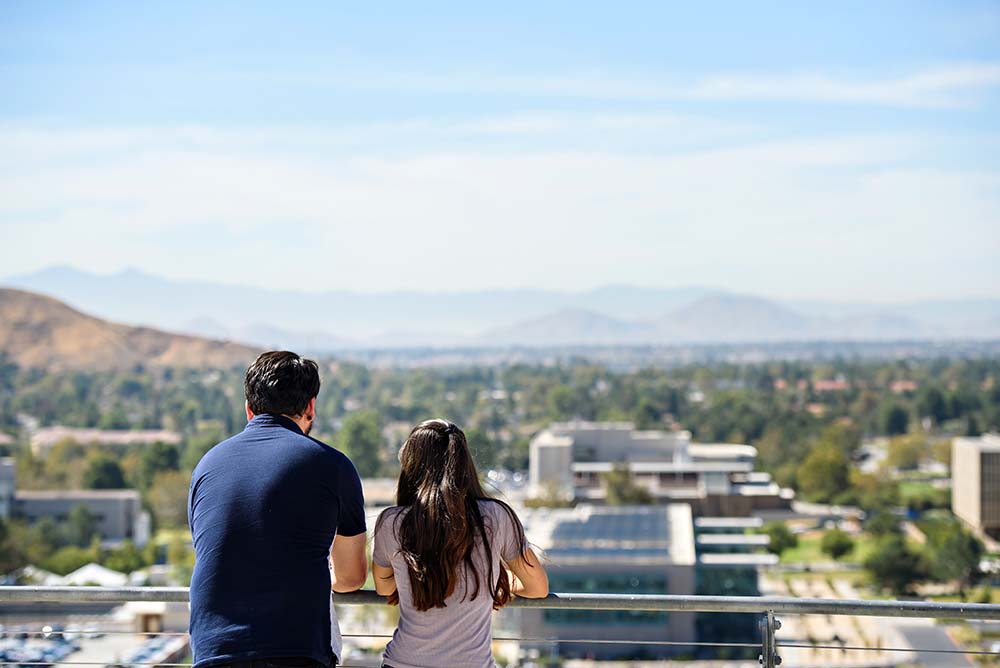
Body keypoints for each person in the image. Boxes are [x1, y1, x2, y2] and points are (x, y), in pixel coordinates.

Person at [188, 351, 368, 668]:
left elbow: (215, 549)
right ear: (310, 406)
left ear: (249, 409)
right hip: (295, 648)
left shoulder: (207, 466)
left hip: (214, 649)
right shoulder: (332, 465)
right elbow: (351, 577)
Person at [372, 419, 548, 668]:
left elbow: (383, 587)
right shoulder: (496, 516)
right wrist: (493, 579)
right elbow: (537, 587)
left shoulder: (391, 522)